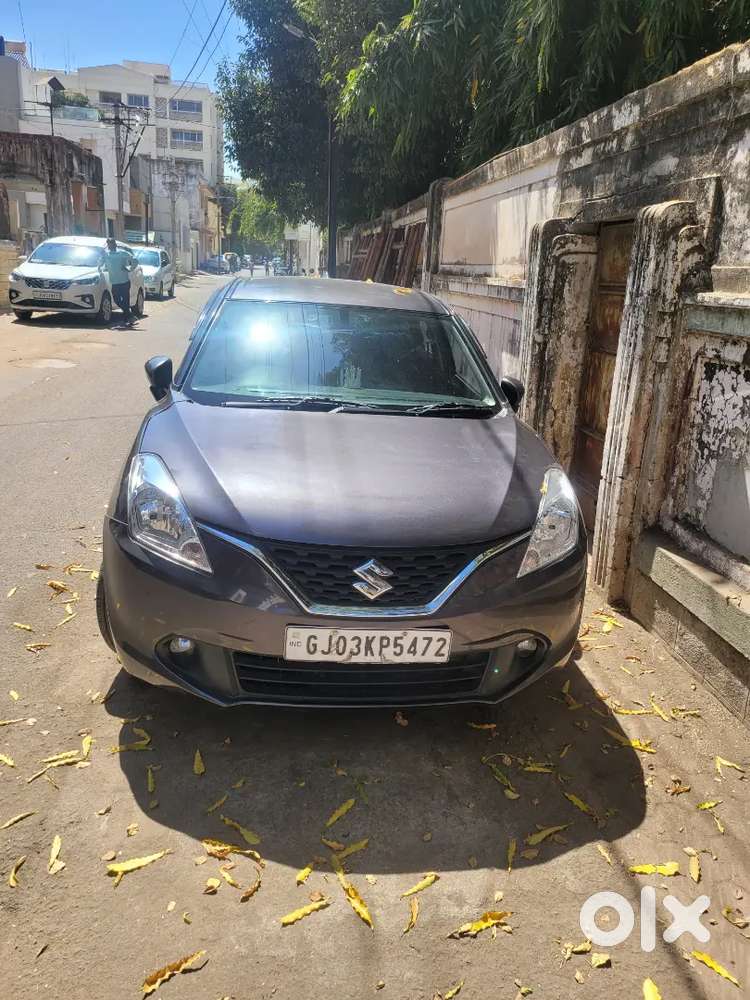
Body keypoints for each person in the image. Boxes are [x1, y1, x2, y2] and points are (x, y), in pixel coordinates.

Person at [104, 237, 134, 325]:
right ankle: (129, 315)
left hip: (124, 281)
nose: (109, 246)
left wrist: (129, 268)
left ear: (115, 244)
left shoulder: (122, 253)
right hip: (114, 282)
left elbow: (134, 260)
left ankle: (127, 319)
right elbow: (101, 263)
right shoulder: (106, 254)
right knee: (116, 300)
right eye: (108, 244)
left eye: (111, 244)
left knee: (125, 301)